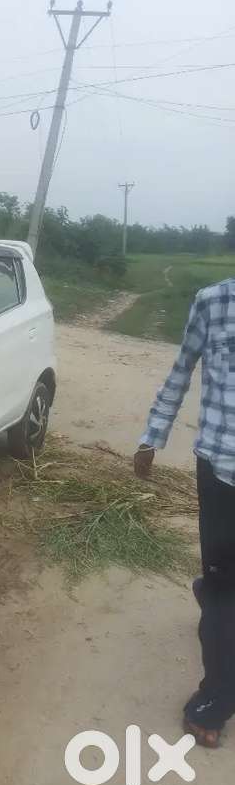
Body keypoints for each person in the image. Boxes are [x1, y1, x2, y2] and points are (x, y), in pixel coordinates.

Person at [135, 276, 235, 748]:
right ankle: (214, 698)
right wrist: (152, 436)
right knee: (225, 590)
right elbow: (181, 370)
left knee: (225, 593)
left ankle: (212, 592)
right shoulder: (214, 302)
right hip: (222, 472)